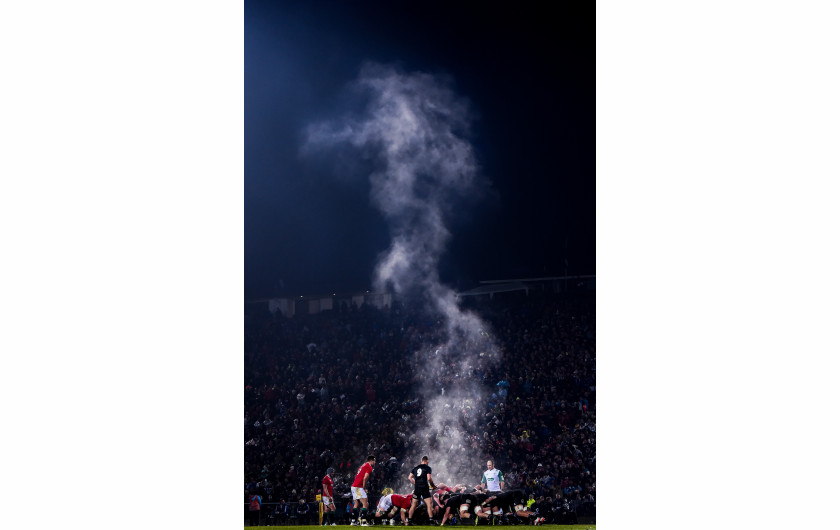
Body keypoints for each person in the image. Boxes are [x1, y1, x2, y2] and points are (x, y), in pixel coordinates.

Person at [407, 456, 437, 525]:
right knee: (429, 504)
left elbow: (409, 478)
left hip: (417, 488)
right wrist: (433, 486)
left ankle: (409, 521)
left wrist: (416, 483)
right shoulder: (427, 468)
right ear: (426, 460)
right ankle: (431, 521)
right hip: (424, 488)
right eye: (428, 461)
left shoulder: (415, 468)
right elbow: (429, 478)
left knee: (413, 505)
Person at [351, 455, 376, 526]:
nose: (375, 462)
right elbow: (365, 478)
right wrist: (364, 488)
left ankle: (353, 521)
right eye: (374, 461)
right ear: (371, 460)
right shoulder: (369, 467)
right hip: (358, 487)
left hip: (353, 486)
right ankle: (363, 522)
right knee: (365, 503)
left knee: (356, 504)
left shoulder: (363, 465)